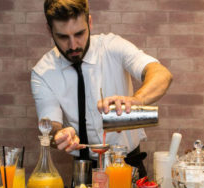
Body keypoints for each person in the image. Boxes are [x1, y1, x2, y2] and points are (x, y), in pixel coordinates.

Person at [31, 0, 172, 172]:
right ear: (49, 30)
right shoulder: (43, 72)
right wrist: (58, 135)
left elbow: (161, 74)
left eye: (79, 34)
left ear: (90, 23)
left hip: (128, 165)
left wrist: (137, 100)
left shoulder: (112, 46)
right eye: (63, 37)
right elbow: (51, 125)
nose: (73, 45)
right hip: (84, 171)